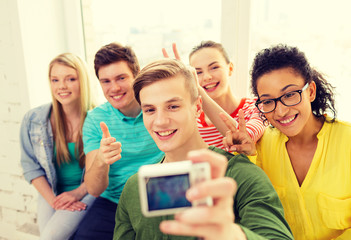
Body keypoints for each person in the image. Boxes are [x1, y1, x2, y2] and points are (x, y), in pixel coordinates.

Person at [114, 59, 294, 240]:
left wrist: (232, 235)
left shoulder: (241, 175)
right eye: (150, 110)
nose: (160, 121)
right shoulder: (133, 188)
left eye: (173, 106)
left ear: (197, 107)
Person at [222, 44, 351, 239]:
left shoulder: (347, 141)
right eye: (268, 101)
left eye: (290, 95)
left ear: (311, 91)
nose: (280, 111)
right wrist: (247, 156)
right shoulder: (259, 149)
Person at [72, 42, 163, 239]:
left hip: (159, 196)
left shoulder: (158, 110)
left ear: (137, 74)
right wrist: (102, 161)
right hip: (114, 202)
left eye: (121, 78)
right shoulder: (96, 120)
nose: (114, 88)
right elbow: (95, 189)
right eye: (105, 81)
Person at [20, 53, 96, 240]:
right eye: (55, 80)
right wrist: (55, 202)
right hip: (53, 192)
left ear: (83, 81)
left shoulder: (98, 119)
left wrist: (78, 193)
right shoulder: (34, 119)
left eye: (70, 79)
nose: (61, 86)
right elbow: (30, 166)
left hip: (87, 191)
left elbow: (106, 170)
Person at [163, 42, 265, 150]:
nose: (207, 77)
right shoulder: (192, 118)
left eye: (214, 67)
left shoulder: (257, 107)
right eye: (198, 72)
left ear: (230, 68)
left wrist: (197, 89)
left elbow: (244, 139)